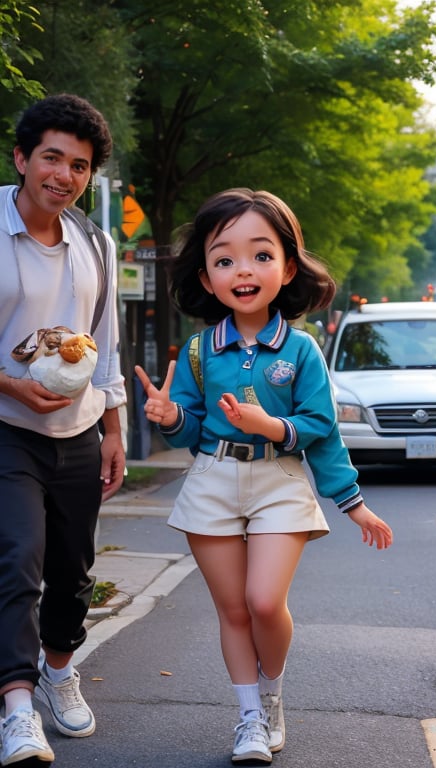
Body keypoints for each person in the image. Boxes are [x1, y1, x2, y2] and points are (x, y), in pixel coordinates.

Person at [135, 188, 393, 765]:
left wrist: (351, 502)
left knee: (263, 601)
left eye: (260, 254)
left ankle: (272, 695)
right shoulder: (200, 350)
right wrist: (170, 415)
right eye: (224, 259)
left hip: (279, 481)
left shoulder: (300, 350)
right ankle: (249, 717)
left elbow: (320, 429)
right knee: (232, 610)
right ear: (206, 278)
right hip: (213, 478)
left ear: (288, 266)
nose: (242, 270)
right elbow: (187, 430)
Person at [0, 94, 126, 765]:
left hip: (78, 432)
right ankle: (17, 706)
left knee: (73, 567)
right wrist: (9, 383)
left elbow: (105, 346)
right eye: (52, 157)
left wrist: (113, 430)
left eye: (79, 165)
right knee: (17, 556)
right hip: (6, 427)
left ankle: (58, 670)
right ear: (22, 158)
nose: (64, 174)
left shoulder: (95, 244)